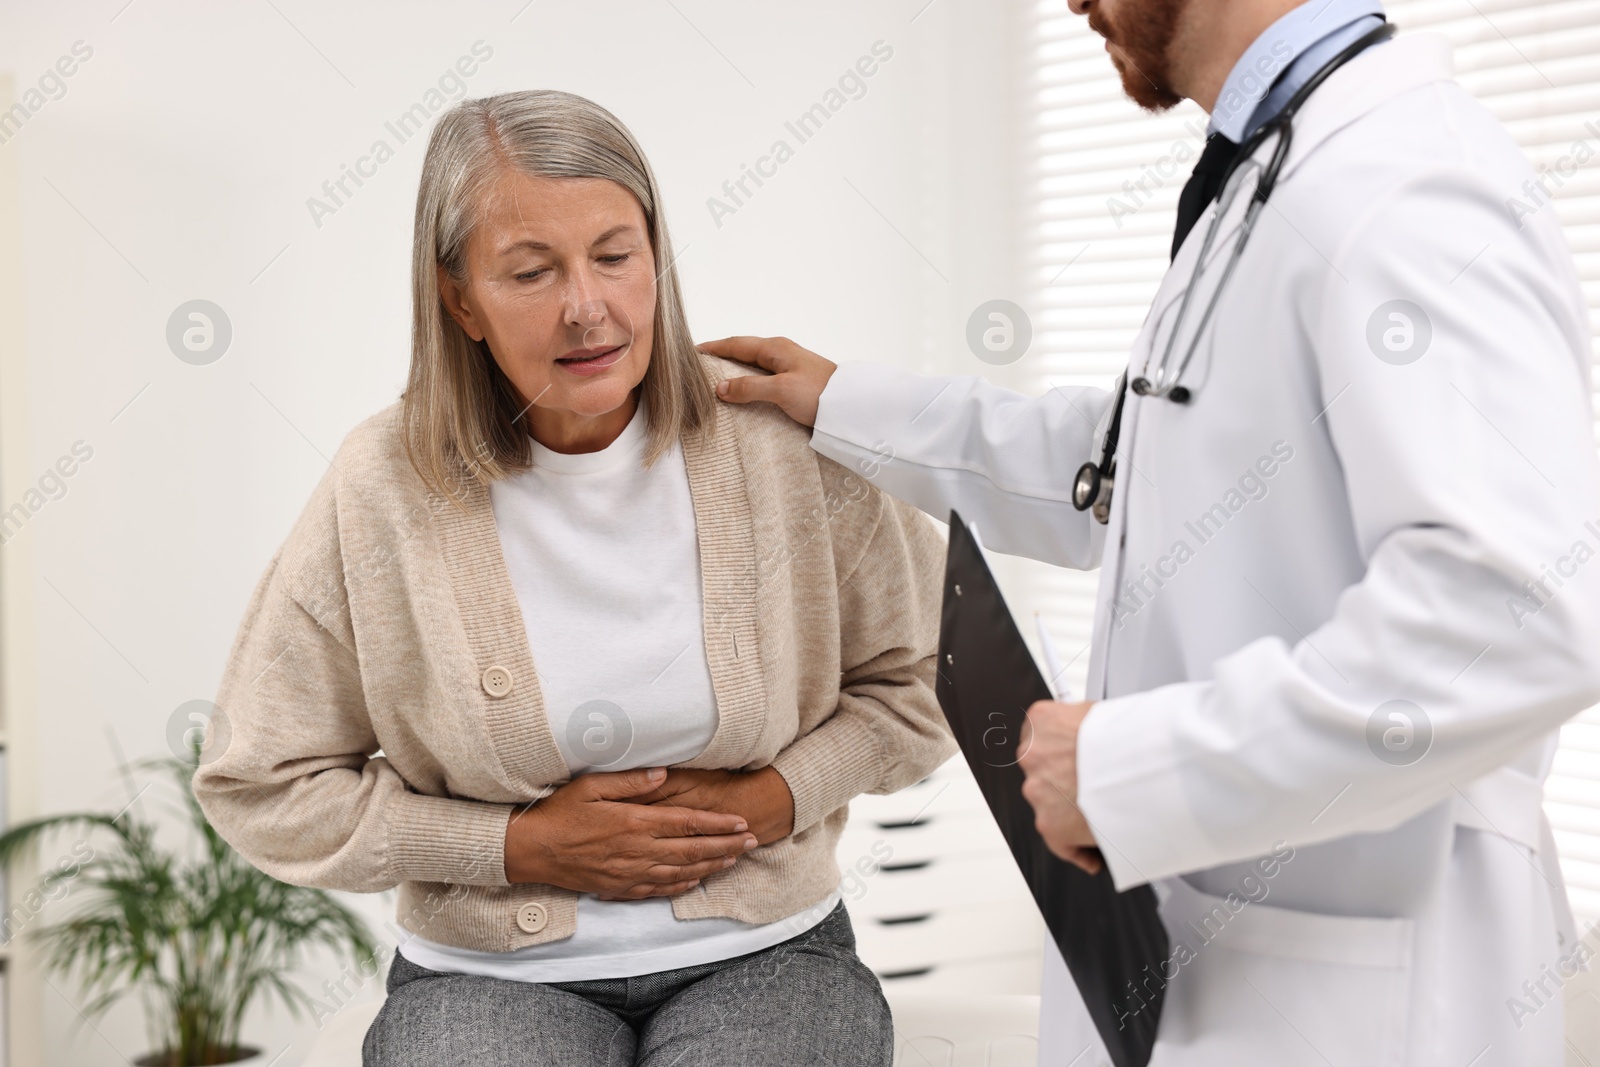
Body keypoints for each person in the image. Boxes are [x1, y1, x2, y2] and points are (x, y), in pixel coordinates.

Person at [701, 0, 1600, 1062]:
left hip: (1358, 989)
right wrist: (853, 405)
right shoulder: (1270, 174)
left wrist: (1138, 771)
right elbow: (1147, 463)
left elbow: (1520, 609)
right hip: (1222, 947)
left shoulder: (1404, 186)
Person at [192, 89, 956, 1067]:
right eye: (530, 270)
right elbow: (260, 781)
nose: (586, 306)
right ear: (458, 298)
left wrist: (777, 797)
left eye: (613, 254)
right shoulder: (381, 483)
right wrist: (513, 848)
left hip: (766, 953)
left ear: (655, 256)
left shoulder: (774, 443)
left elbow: (937, 674)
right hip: (484, 976)